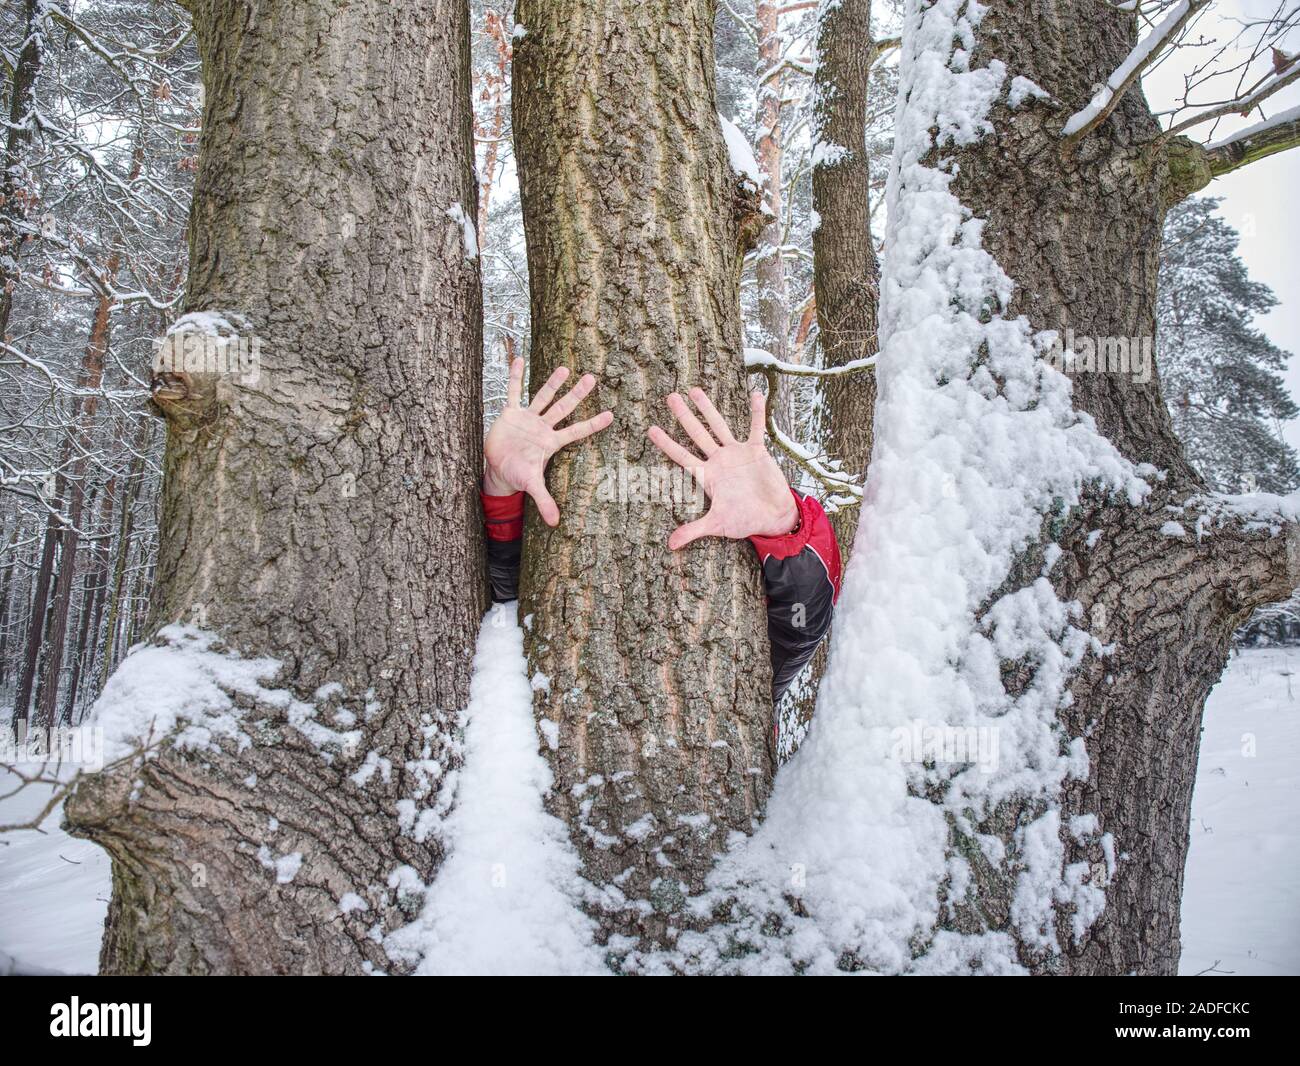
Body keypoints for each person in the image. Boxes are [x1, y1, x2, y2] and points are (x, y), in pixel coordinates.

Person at [480, 357, 841, 701]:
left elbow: (802, 627)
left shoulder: (761, 683)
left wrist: (783, 528)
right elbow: (509, 597)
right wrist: (501, 486)